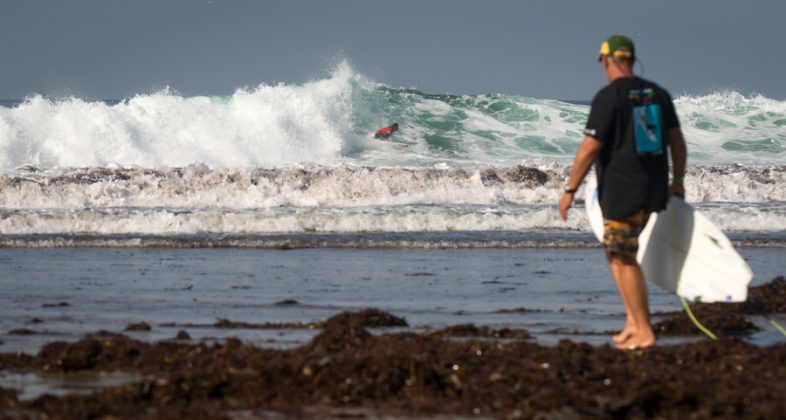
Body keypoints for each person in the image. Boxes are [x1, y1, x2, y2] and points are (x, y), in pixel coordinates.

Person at [558, 34, 687, 350]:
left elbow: (590, 148)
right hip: (652, 189)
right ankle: (633, 322)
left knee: (622, 255)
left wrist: (570, 189)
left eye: (603, 61)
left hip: (622, 191)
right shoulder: (658, 94)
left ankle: (644, 330)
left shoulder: (608, 97)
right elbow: (677, 142)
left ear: (609, 60)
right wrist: (678, 181)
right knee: (615, 251)